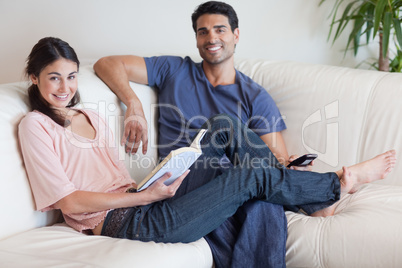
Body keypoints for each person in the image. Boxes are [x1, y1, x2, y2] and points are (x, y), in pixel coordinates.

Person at [19, 37, 396, 268]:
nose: (65, 87)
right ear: (34, 77)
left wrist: (156, 179)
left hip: (141, 198)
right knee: (251, 177)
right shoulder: (35, 125)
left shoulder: (90, 115)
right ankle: (332, 186)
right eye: (54, 77)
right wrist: (145, 196)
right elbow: (69, 202)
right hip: (125, 222)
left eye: (71, 76)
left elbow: (116, 179)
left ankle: (310, 196)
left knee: (224, 124)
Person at [93, 1, 314, 267]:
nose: (211, 38)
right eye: (203, 32)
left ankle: (312, 191)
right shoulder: (174, 70)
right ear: (196, 38)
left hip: (225, 188)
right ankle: (321, 194)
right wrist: (132, 102)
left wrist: (291, 166)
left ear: (236, 34)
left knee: (261, 199)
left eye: (220, 30)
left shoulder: (255, 96)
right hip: (178, 183)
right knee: (231, 140)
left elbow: (273, 159)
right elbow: (107, 63)